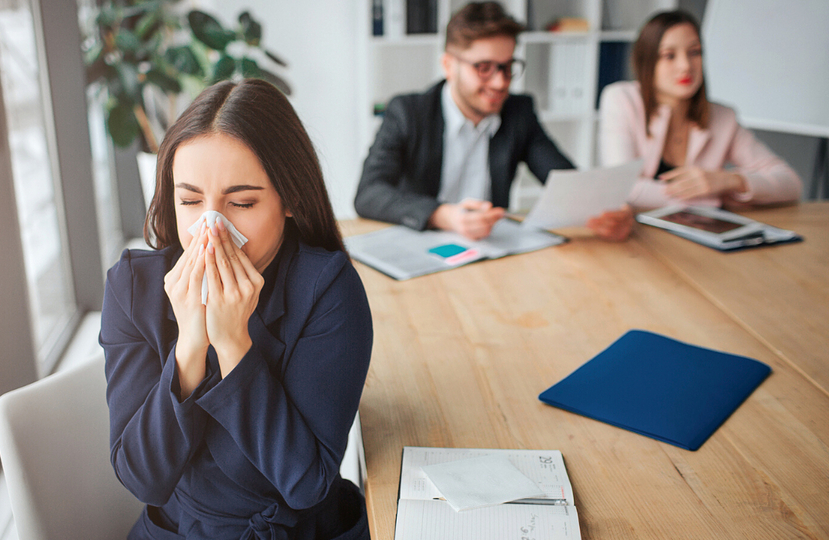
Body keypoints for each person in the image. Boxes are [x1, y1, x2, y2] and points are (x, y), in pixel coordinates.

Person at [100, 79, 373, 540]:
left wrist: (232, 344)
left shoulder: (328, 290)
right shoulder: (132, 286)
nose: (211, 229)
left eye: (241, 202)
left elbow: (306, 484)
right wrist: (191, 345)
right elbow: (143, 478)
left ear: (290, 199)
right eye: (189, 201)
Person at [355, 1, 633, 242]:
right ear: (449, 66)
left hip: (490, 248)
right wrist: (444, 215)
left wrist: (604, 209)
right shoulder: (408, 111)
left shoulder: (519, 112)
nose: (500, 82)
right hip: (422, 244)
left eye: (507, 67)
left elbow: (564, 180)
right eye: (484, 68)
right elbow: (368, 194)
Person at [598, 9, 802, 210]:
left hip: (696, 233)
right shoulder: (621, 99)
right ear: (647, 62)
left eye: (694, 52)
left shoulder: (723, 118)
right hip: (639, 235)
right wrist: (713, 200)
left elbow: (791, 183)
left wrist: (730, 180)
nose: (686, 65)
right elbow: (622, 187)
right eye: (669, 55)